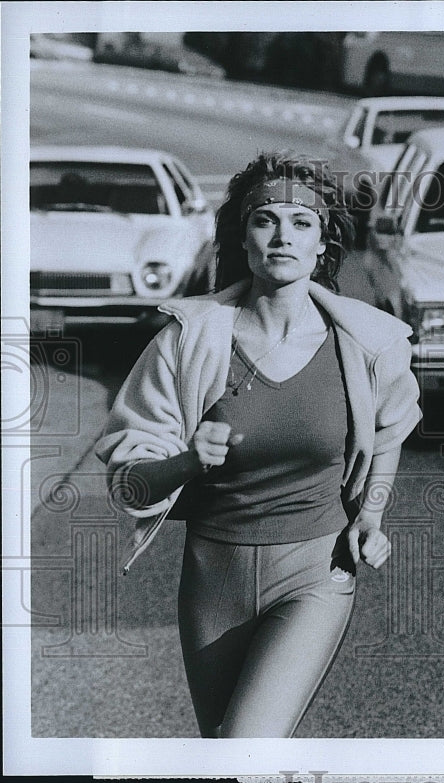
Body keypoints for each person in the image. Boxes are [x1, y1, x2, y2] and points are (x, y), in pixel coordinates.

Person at [96, 151, 421, 738]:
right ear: (241, 237)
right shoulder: (189, 340)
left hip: (316, 573)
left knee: (245, 746)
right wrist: (186, 461)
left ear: (323, 243)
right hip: (211, 576)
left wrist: (370, 514)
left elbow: (392, 429)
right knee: (226, 763)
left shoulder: (365, 342)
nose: (283, 237)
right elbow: (126, 482)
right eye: (265, 219)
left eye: (302, 224)